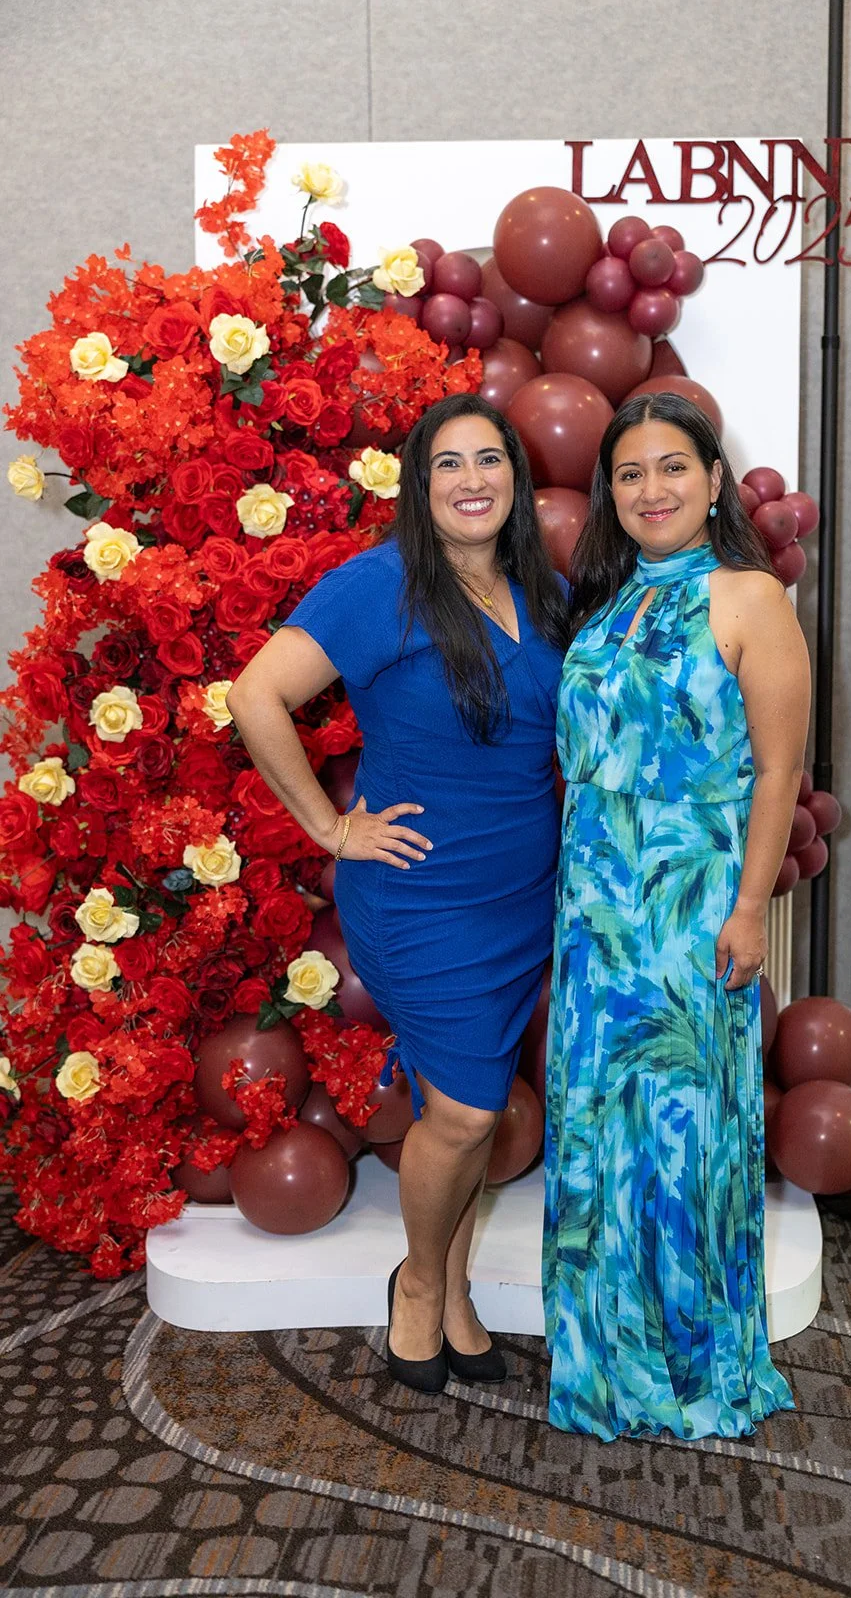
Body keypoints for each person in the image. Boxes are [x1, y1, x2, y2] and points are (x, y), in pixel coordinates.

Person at [226, 392, 569, 1394]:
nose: (471, 480)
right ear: (420, 489)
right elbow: (256, 694)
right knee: (465, 1115)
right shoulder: (378, 586)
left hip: (520, 898)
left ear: (512, 476)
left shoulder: (539, 590)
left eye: (487, 461)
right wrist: (331, 828)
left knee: (457, 1105)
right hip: (419, 898)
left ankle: (454, 1292)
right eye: (446, 464)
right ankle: (417, 1283)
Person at [543, 391, 809, 1441]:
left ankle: (693, 1369)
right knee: (597, 1127)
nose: (649, 489)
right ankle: (603, 1365)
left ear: (709, 482)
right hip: (595, 908)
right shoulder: (603, 604)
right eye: (627, 473)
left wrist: (748, 910)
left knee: (683, 1137)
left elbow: (779, 772)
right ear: (611, 494)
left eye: (670, 469)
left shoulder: (748, 597)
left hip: (693, 907)